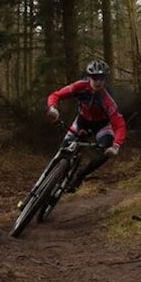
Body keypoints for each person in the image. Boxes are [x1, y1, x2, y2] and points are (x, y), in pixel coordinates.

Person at [46, 59, 127, 192]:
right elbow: (56, 95)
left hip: (102, 126)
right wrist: (53, 108)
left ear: (105, 80)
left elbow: (120, 125)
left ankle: (80, 176)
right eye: (95, 78)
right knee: (63, 149)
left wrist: (116, 146)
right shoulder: (80, 86)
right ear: (89, 77)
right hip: (82, 122)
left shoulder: (107, 99)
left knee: (106, 150)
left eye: (101, 78)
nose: (98, 82)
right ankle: (48, 176)